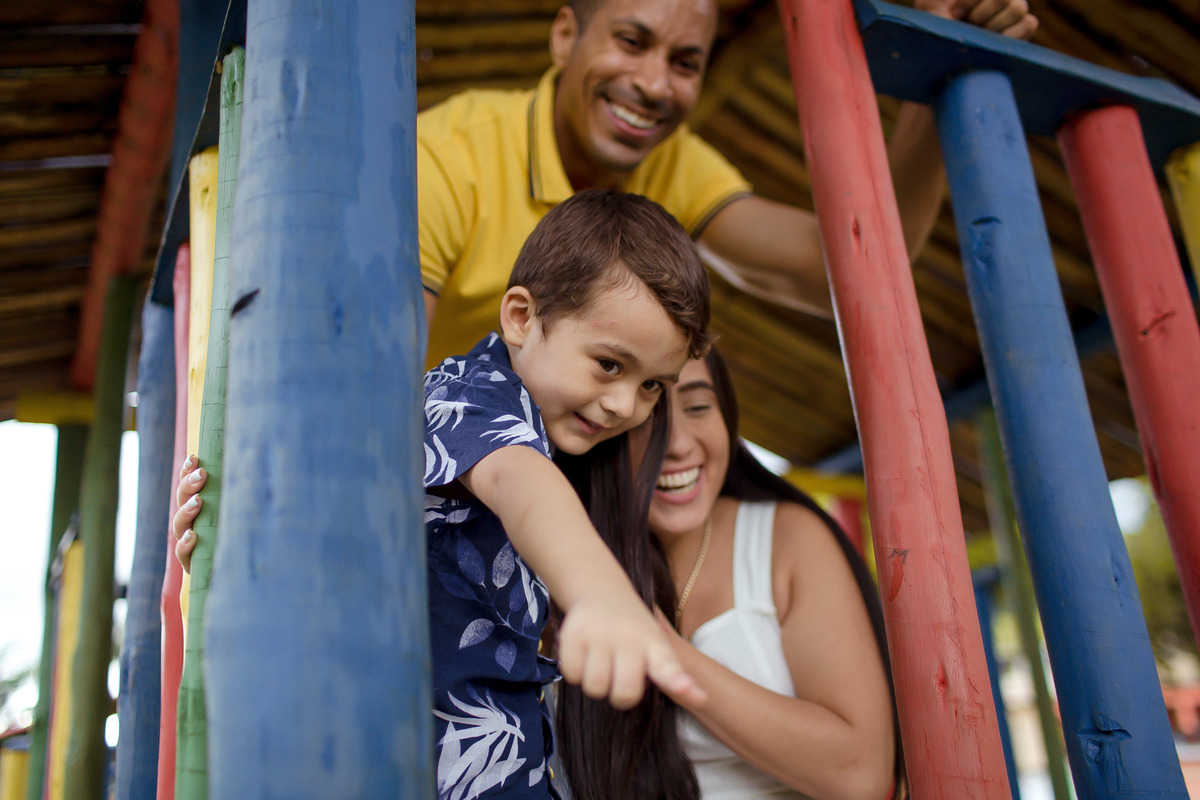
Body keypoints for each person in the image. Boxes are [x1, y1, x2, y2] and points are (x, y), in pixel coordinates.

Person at [175, 189, 713, 800]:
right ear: (521, 318)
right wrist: (598, 592)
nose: (624, 404)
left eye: (652, 386)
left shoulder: (551, 438)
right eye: (610, 365)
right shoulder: (472, 396)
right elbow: (520, 484)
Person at [418, 0, 1039, 366]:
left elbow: (849, 270)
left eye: (685, 63)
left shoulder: (673, 164)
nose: (654, 84)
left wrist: (938, 66)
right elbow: (376, 376)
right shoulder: (445, 157)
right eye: (631, 42)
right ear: (564, 37)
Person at [557, 348, 900, 800]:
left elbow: (861, 774)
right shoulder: (552, 558)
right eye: (647, 415)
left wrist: (664, 649)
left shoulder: (785, 538)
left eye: (699, 407)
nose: (678, 444)